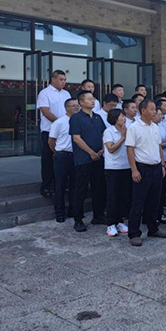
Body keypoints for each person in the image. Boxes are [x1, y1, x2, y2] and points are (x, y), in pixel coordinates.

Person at [126, 100, 166, 246]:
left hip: (156, 167)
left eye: (155, 109)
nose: (154, 111)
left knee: (154, 200)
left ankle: (153, 228)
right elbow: (130, 149)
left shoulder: (155, 127)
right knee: (138, 202)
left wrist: (162, 164)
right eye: (152, 109)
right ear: (143, 111)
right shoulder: (134, 127)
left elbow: (158, 147)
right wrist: (134, 170)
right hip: (142, 168)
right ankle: (134, 233)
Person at [69, 90, 107, 232]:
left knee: (99, 188)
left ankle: (98, 215)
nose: (92, 101)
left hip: (99, 158)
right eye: (89, 99)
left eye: (93, 98)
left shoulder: (97, 117)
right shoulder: (76, 118)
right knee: (81, 189)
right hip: (83, 159)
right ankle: (78, 219)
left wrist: (102, 149)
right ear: (81, 102)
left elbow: (103, 134)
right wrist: (91, 152)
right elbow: (76, 138)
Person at [37, 70, 71, 196]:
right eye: (61, 79)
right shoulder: (45, 93)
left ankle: (61, 184)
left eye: (64, 80)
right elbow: (45, 111)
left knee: (63, 158)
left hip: (65, 131)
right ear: (53, 79)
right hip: (50, 130)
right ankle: (46, 185)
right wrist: (60, 123)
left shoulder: (66, 93)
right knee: (48, 159)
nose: (63, 82)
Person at [48, 98, 79, 222]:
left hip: (76, 155)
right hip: (62, 155)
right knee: (60, 185)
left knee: (75, 185)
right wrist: (57, 152)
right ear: (66, 108)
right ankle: (59, 213)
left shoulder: (80, 121)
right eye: (73, 106)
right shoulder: (59, 122)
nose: (76, 108)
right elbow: (51, 141)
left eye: (77, 105)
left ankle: (73, 210)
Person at [103, 109, 131, 238]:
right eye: (121, 116)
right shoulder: (109, 131)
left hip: (126, 166)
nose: (124, 118)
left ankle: (120, 221)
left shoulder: (127, 130)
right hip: (113, 168)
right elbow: (111, 148)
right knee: (112, 196)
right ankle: (110, 223)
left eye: (124, 116)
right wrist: (123, 137)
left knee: (123, 196)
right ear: (114, 119)